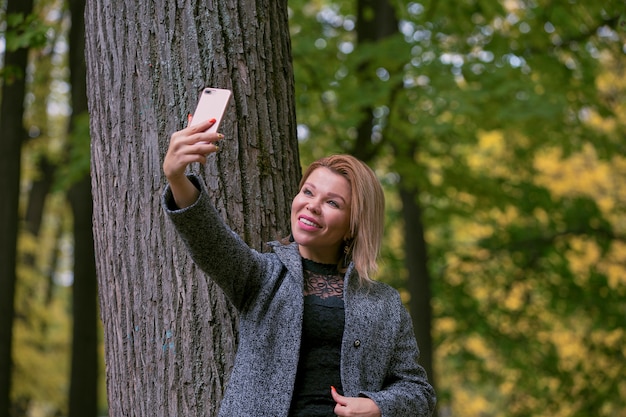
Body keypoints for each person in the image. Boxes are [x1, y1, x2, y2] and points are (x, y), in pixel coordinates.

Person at [162, 117, 436, 417]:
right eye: (308, 192)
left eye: (333, 203)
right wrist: (177, 178)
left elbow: (418, 391)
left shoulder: (385, 303)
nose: (312, 205)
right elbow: (209, 239)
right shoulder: (261, 276)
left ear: (352, 226)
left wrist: (378, 406)